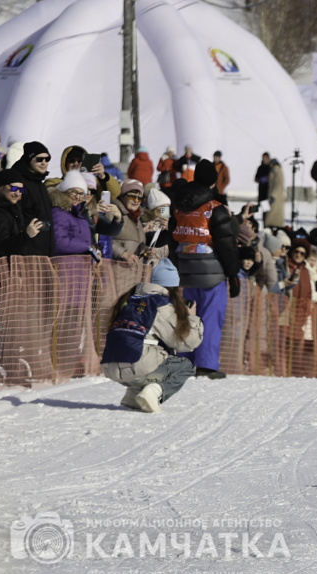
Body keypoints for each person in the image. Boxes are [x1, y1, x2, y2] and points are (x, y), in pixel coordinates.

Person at [101, 258, 203, 412]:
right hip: (136, 366)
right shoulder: (161, 304)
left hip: (110, 366)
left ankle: (133, 395)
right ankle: (153, 392)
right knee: (184, 366)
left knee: (156, 347)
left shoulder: (129, 299)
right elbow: (186, 343)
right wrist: (191, 318)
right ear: (174, 286)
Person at [168, 159, 240, 379]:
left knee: (187, 315)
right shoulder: (214, 208)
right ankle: (207, 364)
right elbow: (226, 244)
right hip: (212, 271)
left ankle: (184, 360)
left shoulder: (179, 205)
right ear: (213, 181)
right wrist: (233, 273)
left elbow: (172, 237)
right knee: (210, 316)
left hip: (186, 270)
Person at [0, 168, 43, 261]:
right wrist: (26, 235)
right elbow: (3, 247)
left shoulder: (10, 207)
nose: (18, 193)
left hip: (6, 268)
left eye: (21, 189)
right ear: (0, 187)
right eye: (14, 188)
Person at [11, 141, 54, 256]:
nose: (44, 163)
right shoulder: (20, 183)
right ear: (29, 159)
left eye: (47, 159)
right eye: (39, 159)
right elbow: (16, 217)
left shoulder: (39, 182)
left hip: (44, 249)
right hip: (28, 251)